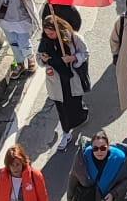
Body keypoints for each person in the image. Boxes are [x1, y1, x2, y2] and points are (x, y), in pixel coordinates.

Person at [38, 11, 91, 149]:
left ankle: (81, 115)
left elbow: (85, 53)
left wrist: (73, 58)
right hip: (56, 81)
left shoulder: (74, 38)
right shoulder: (45, 42)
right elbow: (39, 59)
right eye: (47, 33)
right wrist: (43, 60)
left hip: (71, 78)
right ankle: (66, 133)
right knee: (62, 109)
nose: (49, 36)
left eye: (52, 33)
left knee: (74, 104)